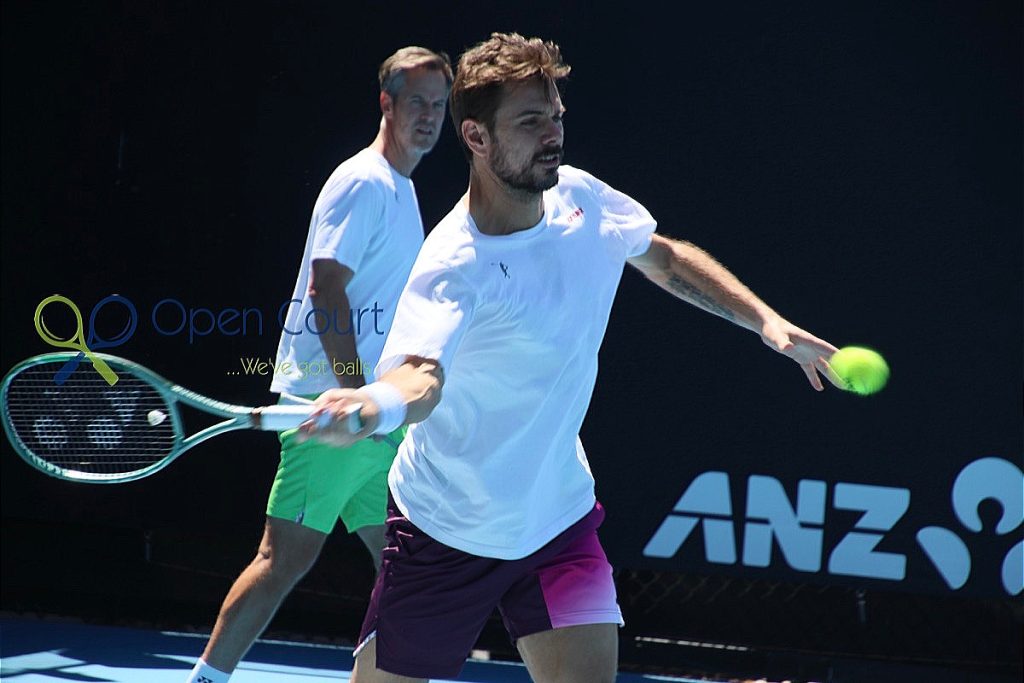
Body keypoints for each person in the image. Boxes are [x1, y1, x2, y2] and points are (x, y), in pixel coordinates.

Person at [304, 32, 844, 683]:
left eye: (556, 116)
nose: (553, 134)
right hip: (444, 531)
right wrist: (371, 403)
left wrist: (766, 321)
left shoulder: (583, 199)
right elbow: (421, 375)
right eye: (530, 121)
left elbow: (664, 258)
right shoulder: (454, 264)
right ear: (476, 137)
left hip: (556, 520)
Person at [184, 46, 452, 683]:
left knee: (407, 570)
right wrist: (357, 398)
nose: (429, 116)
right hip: (331, 413)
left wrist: (376, 407)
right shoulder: (364, 182)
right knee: (282, 562)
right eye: (417, 102)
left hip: (371, 423)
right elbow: (326, 289)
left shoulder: (402, 189)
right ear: (386, 104)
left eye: (440, 105)